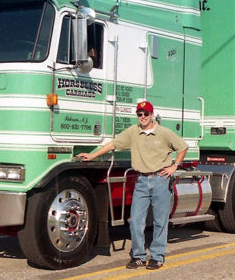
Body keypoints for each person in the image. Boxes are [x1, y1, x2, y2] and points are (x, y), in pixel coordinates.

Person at [77, 101, 188, 270]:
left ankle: (157, 257)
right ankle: (138, 256)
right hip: (141, 181)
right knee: (135, 220)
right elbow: (113, 144)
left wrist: (175, 166)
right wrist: (93, 155)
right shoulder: (133, 132)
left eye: (146, 114)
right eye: (139, 114)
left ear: (152, 115)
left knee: (160, 221)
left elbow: (183, 147)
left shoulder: (164, 133)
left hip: (160, 180)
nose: (143, 117)